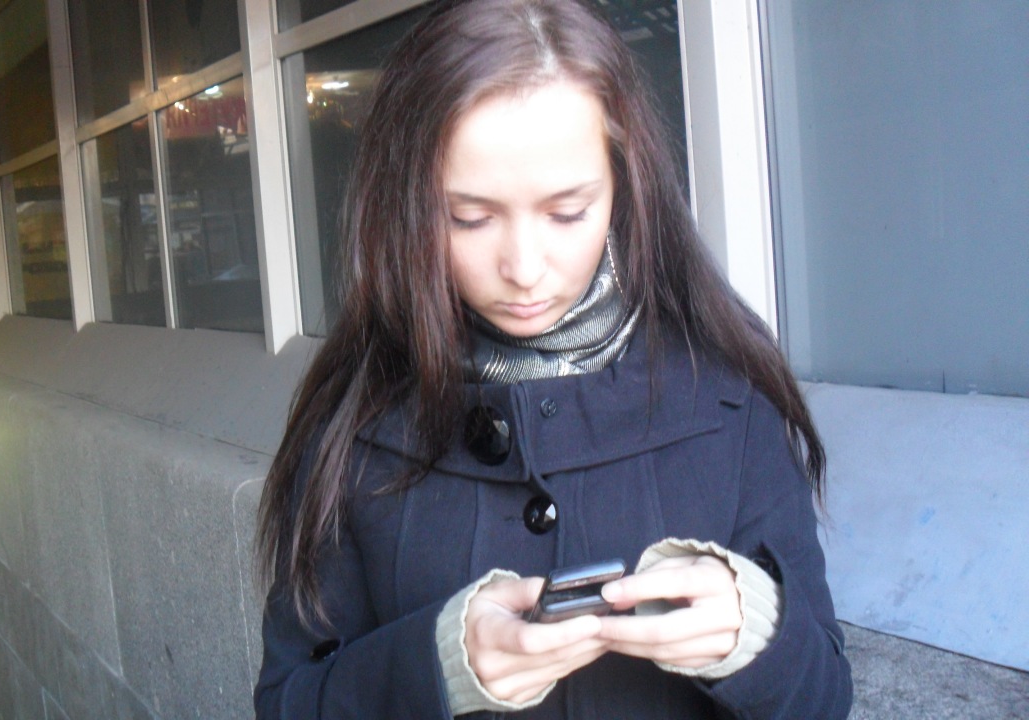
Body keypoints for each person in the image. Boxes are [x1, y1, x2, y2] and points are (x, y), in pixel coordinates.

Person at [254, 0, 853, 716]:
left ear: (624, 184)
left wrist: (754, 632)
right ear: (406, 206)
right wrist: (438, 663)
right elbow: (289, 700)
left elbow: (825, 697)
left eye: (567, 212)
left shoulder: (727, 392)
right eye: (470, 218)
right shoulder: (356, 423)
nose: (524, 267)